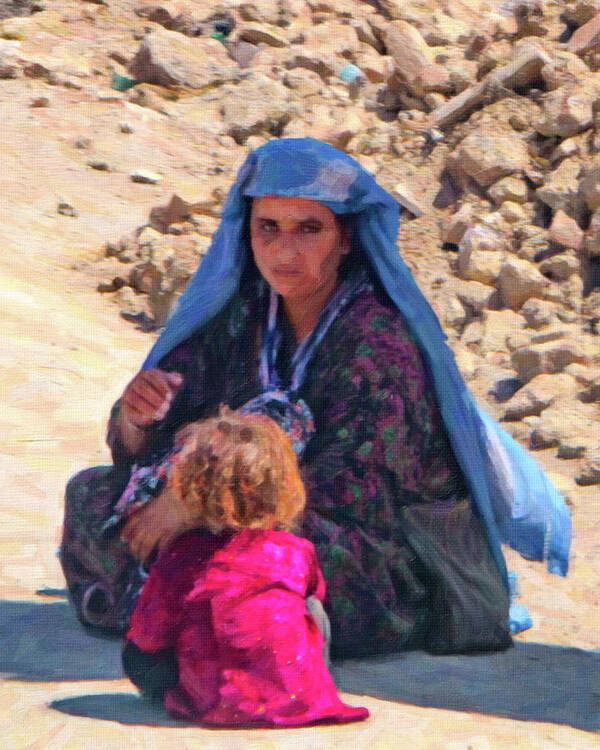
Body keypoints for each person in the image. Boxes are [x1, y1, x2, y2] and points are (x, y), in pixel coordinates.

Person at [60, 138, 571, 659]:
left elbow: (349, 497)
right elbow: (157, 436)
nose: (284, 251)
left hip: (372, 551)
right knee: (90, 496)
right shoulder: (243, 314)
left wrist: (198, 504)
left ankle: (198, 607)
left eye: (308, 229)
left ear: (344, 238)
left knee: (244, 553)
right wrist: (138, 419)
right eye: (269, 228)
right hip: (240, 508)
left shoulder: (378, 344)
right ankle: (210, 610)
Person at [121, 409, 368, 727]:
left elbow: (149, 636)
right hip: (296, 699)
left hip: (214, 698)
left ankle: (196, 691)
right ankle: (302, 682)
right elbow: (313, 604)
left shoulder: (180, 557)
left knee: (138, 653)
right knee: (310, 606)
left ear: (190, 487)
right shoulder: (294, 550)